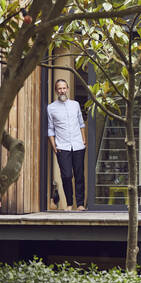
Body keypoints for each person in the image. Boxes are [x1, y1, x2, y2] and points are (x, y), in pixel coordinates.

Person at [47, 79, 86, 211]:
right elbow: (50, 129)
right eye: (59, 88)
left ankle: (80, 204)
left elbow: (81, 123)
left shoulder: (75, 105)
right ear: (56, 90)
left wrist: (83, 140)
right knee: (66, 176)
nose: (62, 91)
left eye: (64, 88)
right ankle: (69, 204)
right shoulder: (51, 108)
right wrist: (54, 146)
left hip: (78, 144)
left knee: (79, 175)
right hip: (62, 146)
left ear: (68, 89)